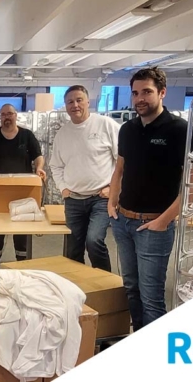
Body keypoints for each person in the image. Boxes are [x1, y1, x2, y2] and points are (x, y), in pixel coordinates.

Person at [108, 67, 193, 331]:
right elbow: (120, 169)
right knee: (131, 288)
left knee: (151, 297)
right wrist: (112, 202)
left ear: (162, 92)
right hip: (123, 221)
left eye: (146, 92)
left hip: (154, 226)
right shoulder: (127, 129)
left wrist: (164, 220)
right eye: (135, 93)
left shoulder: (181, 130)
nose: (139, 99)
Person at [50, 86, 120, 272]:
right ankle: (76, 283)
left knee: (94, 241)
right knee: (73, 248)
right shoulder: (62, 134)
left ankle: (105, 283)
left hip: (101, 198)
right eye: (70, 102)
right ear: (66, 106)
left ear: (88, 102)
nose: (75, 105)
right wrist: (63, 188)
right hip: (73, 199)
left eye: (79, 100)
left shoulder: (106, 125)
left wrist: (114, 188)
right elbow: (55, 165)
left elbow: (123, 161)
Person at [0, 104, 45, 266]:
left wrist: (39, 168)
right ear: (0, 117)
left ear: (16, 115)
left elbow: (38, 156)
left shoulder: (27, 135)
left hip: (22, 190)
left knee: (21, 231)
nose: (7, 117)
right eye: (3, 114)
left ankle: (23, 264)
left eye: (10, 114)